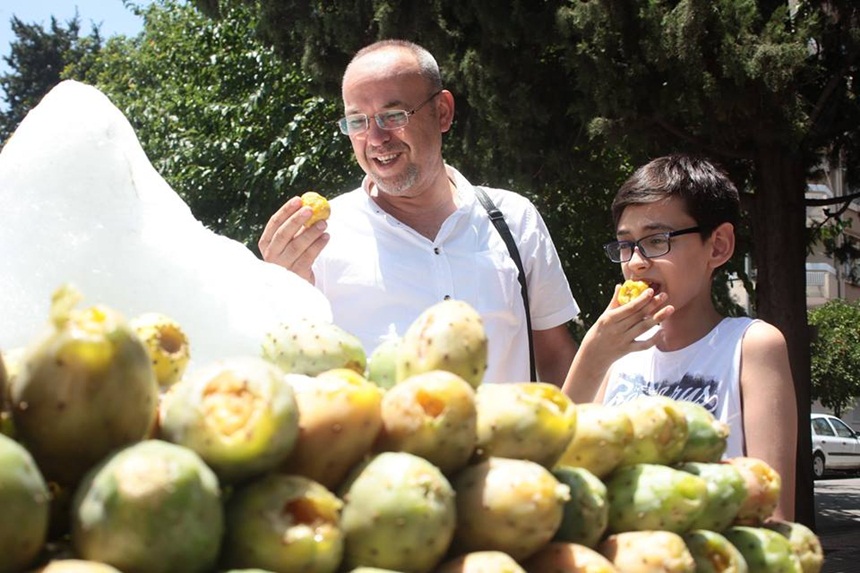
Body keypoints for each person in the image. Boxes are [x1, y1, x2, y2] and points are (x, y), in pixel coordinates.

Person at [258, 39, 579, 385]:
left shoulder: (513, 218)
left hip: (509, 438)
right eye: (357, 122)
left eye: (392, 116)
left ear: (442, 112)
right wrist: (278, 290)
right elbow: (284, 370)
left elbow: (555, 355)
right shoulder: (317, 242)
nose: (376, 138)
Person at [561, 153, 797, 521]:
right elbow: (552, 472)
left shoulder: (751, 345)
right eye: (626, 245)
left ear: (717, 246)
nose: (635, 262)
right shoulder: (615, 356)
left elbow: (773, 514)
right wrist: (591, 355)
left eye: (657, 240)